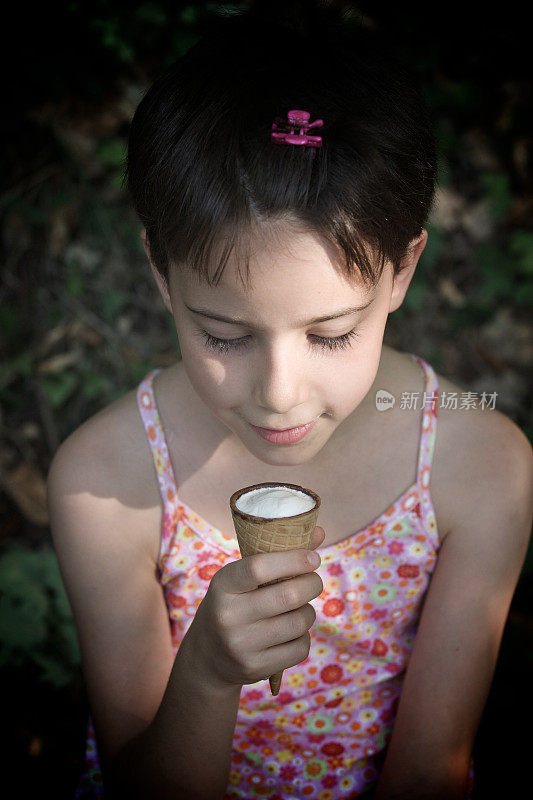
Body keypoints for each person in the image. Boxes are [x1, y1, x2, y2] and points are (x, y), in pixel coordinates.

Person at [46, 3, 533, 799]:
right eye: (224, 335)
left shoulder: (474, 464)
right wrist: (205, 674)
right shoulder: (110, 481)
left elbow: (428, 770)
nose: (278, 395)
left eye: (332, 333)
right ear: (161, 274)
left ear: (402, 271)